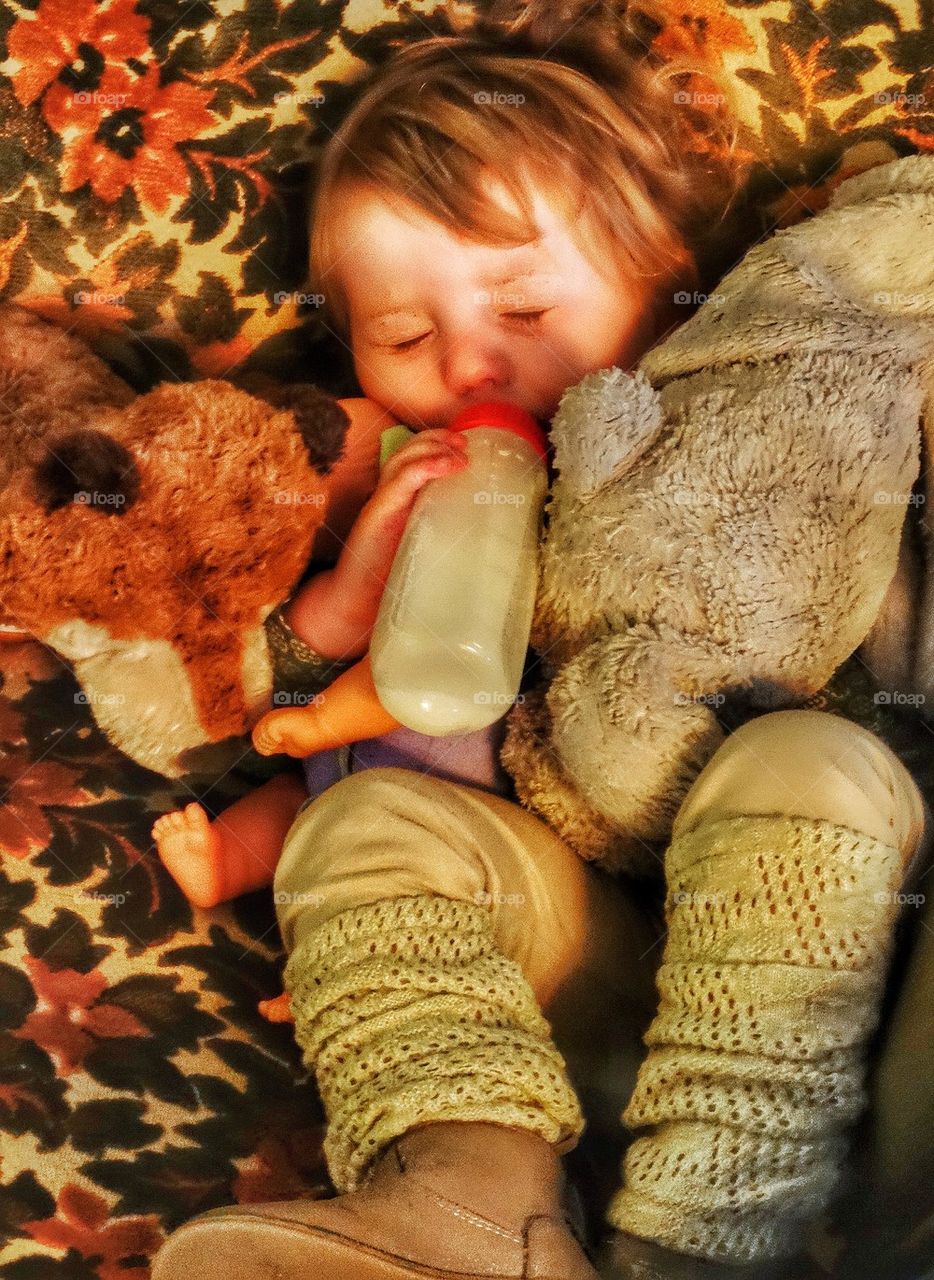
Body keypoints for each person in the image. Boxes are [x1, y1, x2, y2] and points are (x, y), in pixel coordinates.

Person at [151, 26, 930, 1280]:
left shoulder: (782, 406)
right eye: (401, 335)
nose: (467, 362)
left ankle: (704, 1247)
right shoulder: (402, 486)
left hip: (877, 968)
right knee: (360, 829)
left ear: (664, 276)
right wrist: (344, 610)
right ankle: (466, 1208)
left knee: (800, 759)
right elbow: (250, 701)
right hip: (595, 1005)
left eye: (522, 304)